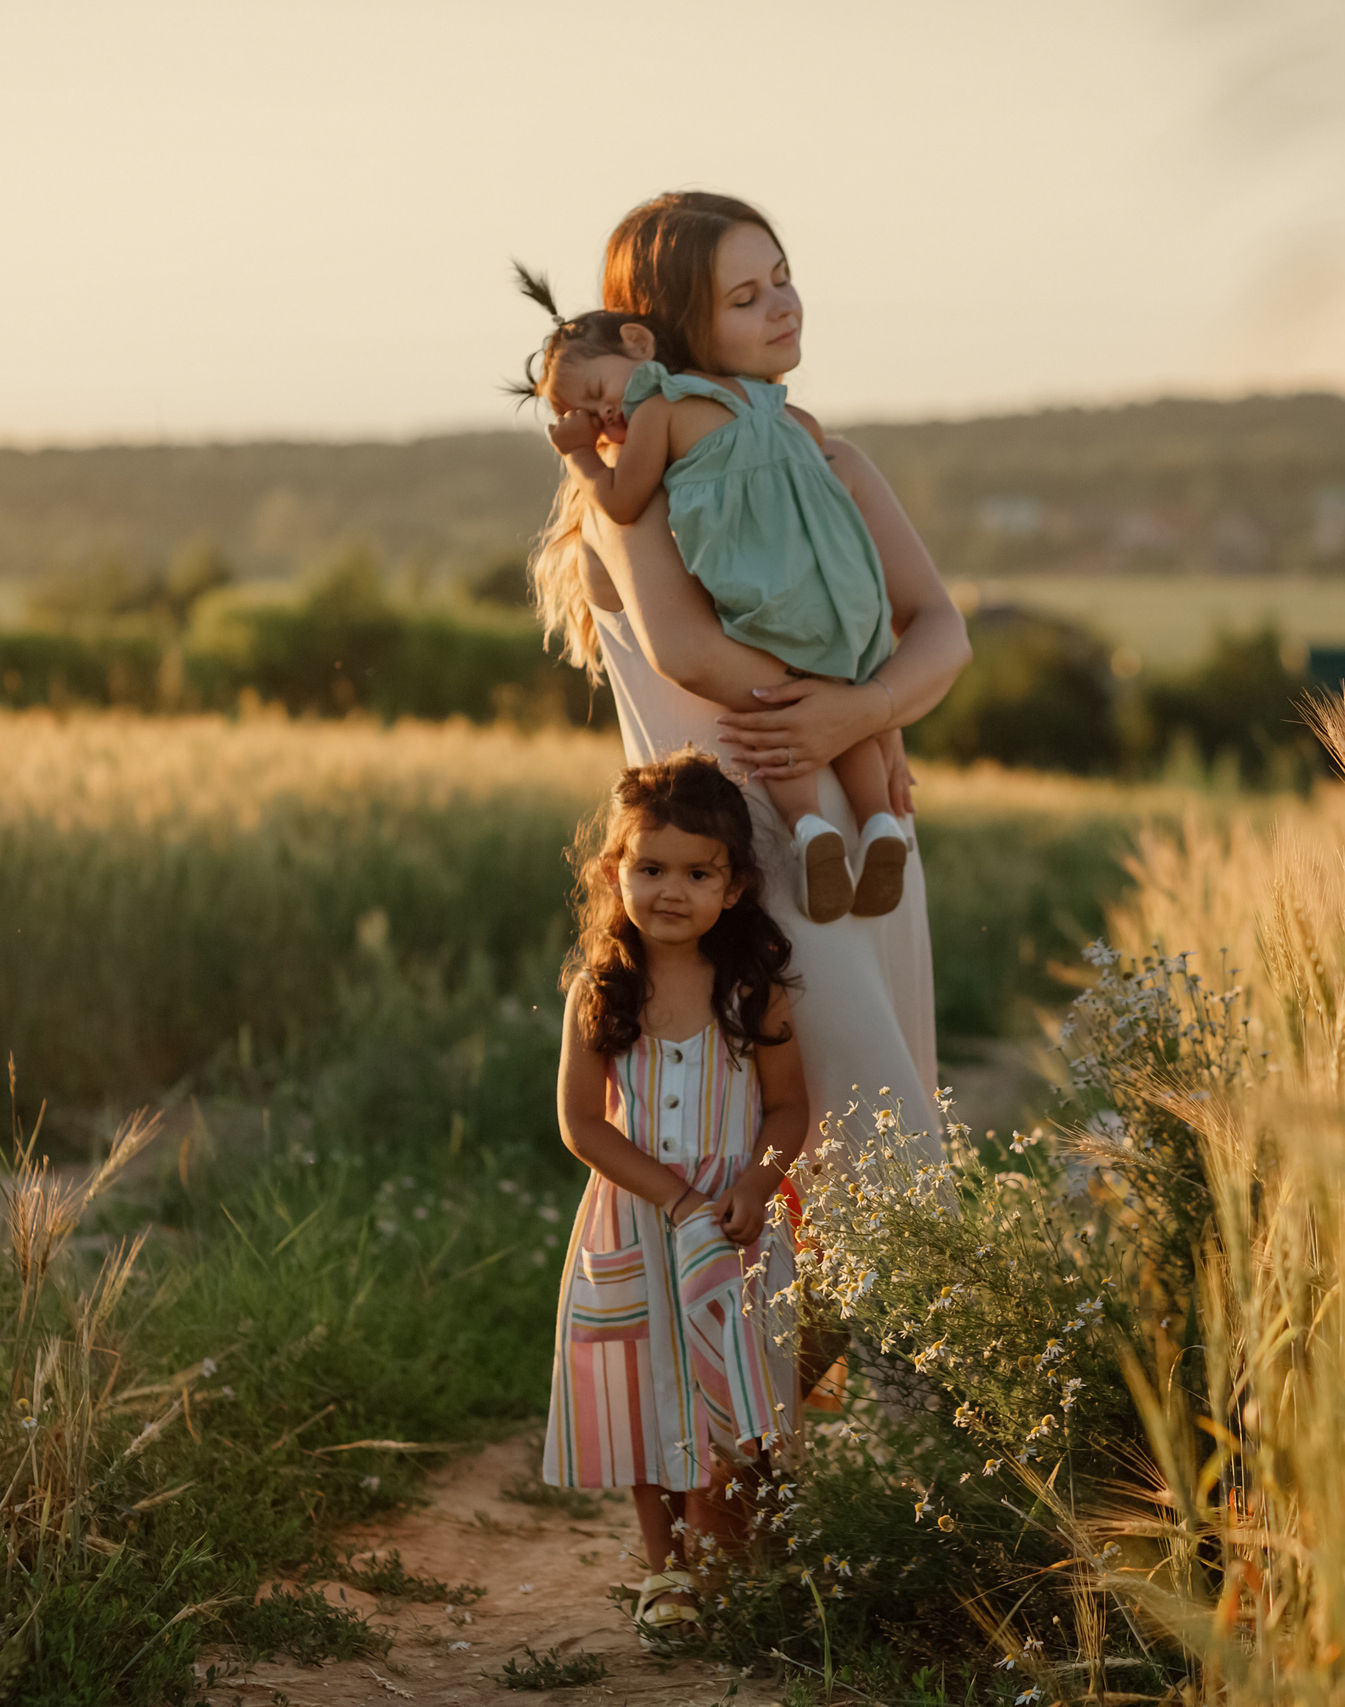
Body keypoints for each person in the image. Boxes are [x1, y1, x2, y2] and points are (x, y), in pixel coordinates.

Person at [523, 191, 971, 1190]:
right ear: (675, 326)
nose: (783, 305)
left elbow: (943, 629)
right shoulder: (632, 488)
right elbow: (687, 649)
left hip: (858, 849)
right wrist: (857, 707)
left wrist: (872, 710)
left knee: (883, 1163)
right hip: (735, 873)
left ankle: (867, 1355)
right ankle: (752, 1353)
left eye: (782, 279)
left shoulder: (828, 459)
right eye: (744, 295)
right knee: (797, 1163)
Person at [514, 271, 904, 922]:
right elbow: (807, 447)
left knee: (781, 718)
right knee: (838, 702)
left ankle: (808, 826)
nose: (597, 417)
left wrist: (584, 457)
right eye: (576, 416)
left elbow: (624, 498)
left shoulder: (660, 412)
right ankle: (882, 826)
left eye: (595, 395)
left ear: (640, 343)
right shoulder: (753, 401)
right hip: (834, 592)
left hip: (761, 596)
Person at [542, 752, 807, 1635]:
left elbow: (787, 1104)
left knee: (728, 1386)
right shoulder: (601, 990)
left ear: (732, 888)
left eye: (698, 873)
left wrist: (756, 1180)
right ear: (614, 872)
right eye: (650, 868)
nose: (671, 890)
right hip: (636, 1222)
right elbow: (583, 1124)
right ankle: (664, 1572)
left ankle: (726, 1546)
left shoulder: (752, 987)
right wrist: (674, 1197)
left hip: (731, 1227)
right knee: (647, 1390)